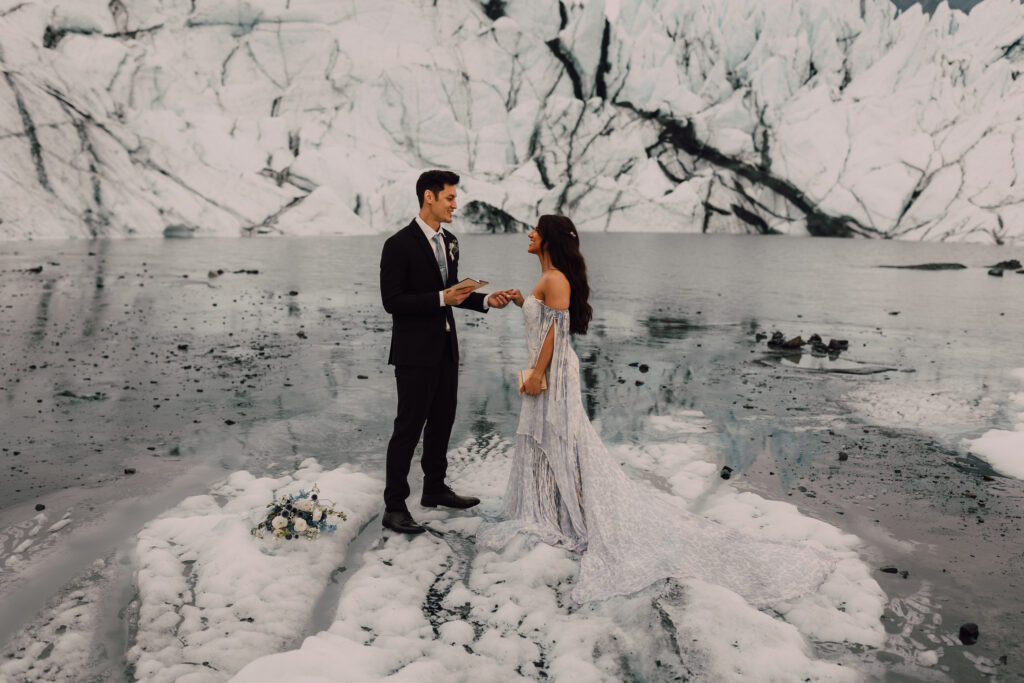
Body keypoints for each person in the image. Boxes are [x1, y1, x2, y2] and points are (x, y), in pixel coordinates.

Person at [477, 215, 835, 605]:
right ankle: (553, 508)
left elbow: (555, 338)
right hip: (548, 373)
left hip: (555, 376)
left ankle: (568, 516)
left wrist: (537, 375)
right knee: (547, 439)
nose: (529, 234)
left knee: (562, 440)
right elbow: (542, 323)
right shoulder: (549, 279)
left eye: (535, 230)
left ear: (548, 239)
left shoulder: (557, 279)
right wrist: (520, 303)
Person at [379, 170, 517, 535]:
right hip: (412, 353)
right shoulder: (398, 244)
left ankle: (434, 489)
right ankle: (394, 507)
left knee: (443, 421)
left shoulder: (451, 241)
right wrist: (441, 298)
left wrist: (486, 299)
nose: (455, 204)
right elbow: (392, 301)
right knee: (407, 428)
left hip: (445, 348)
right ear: (429, 197)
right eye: (450, 198)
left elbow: (452, 291)